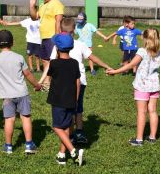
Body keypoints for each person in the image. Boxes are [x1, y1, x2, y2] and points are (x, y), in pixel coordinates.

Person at [40, 17, 112, 145]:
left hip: (63, 84)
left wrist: (43, 79)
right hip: (79, 82)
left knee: (67, 108)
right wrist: (107, 66)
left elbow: (49, 65)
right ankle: (77, 132)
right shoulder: (80, 44)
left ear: (61, 30)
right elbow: (93, 58)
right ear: (74, 31)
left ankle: (70, 133)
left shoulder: (57, 46)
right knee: (77, 108)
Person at [107, 28, 160, 145]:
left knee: (141, 112)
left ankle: (139, 139)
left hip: (142, 86)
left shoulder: (142, 51)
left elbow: (131, 65)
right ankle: (152, 137)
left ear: (144, 38)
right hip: (155, 86)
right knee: (153, 111)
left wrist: (115, 71)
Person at [46, 33, 84, 166]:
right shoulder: (74, 63)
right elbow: (78, 82)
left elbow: (49, 79)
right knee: (66, 126)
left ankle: (73, 151)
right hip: (71, 100)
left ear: (57, 47)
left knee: (57, 127)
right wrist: (76, 99)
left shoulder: (54, 63)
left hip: (58, 101)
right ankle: (62, 155)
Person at [29, 0, 64, 73]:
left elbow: (58, 22)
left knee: (53, 61)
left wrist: (57, 39)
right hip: (44, 38)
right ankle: (47, 82)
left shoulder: (56, 3)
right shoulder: (42, 5)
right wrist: (32, 5)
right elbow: (34, 17)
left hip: (52, 38)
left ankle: (54, 81)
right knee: (45, 60)